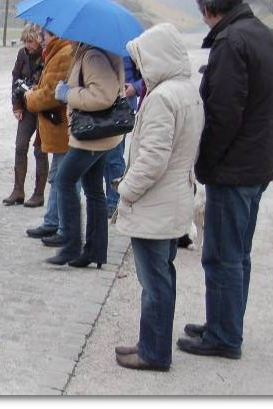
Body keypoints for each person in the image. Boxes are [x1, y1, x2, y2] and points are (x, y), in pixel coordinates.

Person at [176, 0, 273, 360]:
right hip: (258, 161)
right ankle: (224, 321)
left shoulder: (231, 43)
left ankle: (224, 334)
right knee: (239, 253)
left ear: (207, 10)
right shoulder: (263, 35)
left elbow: (223, 115)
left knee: (222, 255)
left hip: (235, 168)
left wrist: (205, 163)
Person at [113, 23, 204, 371]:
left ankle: (154, 352)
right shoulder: (184, 91)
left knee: (154, 283)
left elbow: (153, 159)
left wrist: (126, 189)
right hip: (172, 199)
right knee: (160, 279)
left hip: (156, 205)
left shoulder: (164, 98)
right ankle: (150, 343)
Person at [46, 42, 125, 268]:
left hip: (92, 135)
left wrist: (68, 93)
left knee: (65, 180)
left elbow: (102, 96)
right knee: (93, 189)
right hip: (101, 135)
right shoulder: (97, 51)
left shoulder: (92, 56)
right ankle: (95, 251)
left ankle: (71, 245)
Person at [20, 28, 72, 247]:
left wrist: (31, 97)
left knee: (63, 179)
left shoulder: (63, 54)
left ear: (52, 35)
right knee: (57, 176)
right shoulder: (56, 52)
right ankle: (52, 221)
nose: (40, 39)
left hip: (61, 128)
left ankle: (62, 226)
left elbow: (52, 94)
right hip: (55, 127)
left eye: (43, 35)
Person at [3, 24, 47, 207]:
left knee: (40, 150)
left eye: (31, 42)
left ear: (39, 40)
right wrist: (16, 106)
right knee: (20, 146)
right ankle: (18, 190)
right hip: (26, 106)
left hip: (44, 108)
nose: (28, 45)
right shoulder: (22, 54)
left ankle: (39, 193)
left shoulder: (48, 55)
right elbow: (16, 79)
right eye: (26, 42)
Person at [103, 56, 144, 217]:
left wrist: (134, 87)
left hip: (122, 108)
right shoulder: (96, 45)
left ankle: (115, 201)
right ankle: (109, 199)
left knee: (114, 156)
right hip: (101, 105)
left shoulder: (131, 47)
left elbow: (147, 78)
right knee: (103, 157)